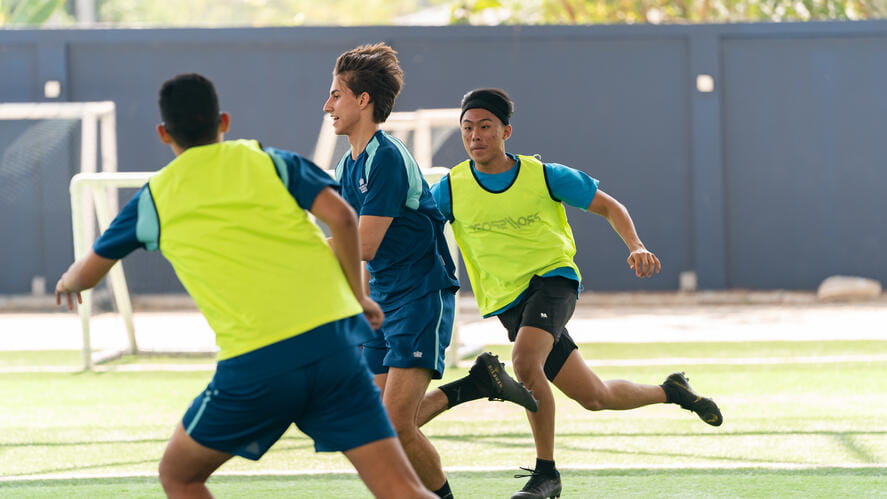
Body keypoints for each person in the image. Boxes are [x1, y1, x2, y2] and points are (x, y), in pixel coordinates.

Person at [55, 73, 436, 499]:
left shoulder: (153, 199)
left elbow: (87, 274)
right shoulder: (271, 161)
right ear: (224, 122)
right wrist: (358, 296)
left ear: (163, 133)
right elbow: (344, 218)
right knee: (400, 488)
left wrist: (69, 279)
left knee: (179, 475)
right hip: (334, 346)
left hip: (258, 362)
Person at [424, 88, 724, 499]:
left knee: (525, 363)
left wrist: (635, 245)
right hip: (509, 302)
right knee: (594, 397)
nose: (475, 136)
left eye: (486, 127)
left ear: (506, 131)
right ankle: (673, 391)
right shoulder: (451, 188)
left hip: (553, 282)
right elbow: (417, 232)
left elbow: (609, 206)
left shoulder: (545, 175)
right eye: (467, 128)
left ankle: (546, 474)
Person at [322, 44, 538, 499]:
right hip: (383, 301)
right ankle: (477, 384)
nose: (327, 106)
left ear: (363, 101)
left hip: (419, 297)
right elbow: (355, 250)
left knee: (396, 425)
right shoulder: (348, 165)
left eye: (336, 94)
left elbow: (362, 244)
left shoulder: (386, 158)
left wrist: (285, 251)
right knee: (373, 427)